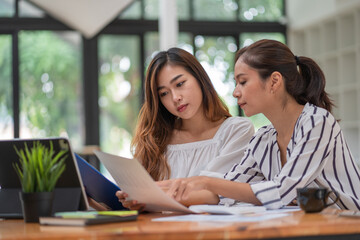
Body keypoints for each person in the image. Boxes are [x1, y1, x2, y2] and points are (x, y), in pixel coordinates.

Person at [163, 39, 360, 210]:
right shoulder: (262, 139)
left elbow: (282, 191)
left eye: (243, 82)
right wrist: (156, 194)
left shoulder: (317, 122)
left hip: (348, 227)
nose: (235, 92)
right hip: (307, 230)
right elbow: (227, 191)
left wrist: (207, 181)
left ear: (274, 81)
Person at [116, 47, 254, 209]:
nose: (175, 98)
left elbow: (218, 194)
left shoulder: (236, 130)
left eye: (180, 84)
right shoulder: (155, 140)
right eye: (164, 94)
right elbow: (132, 197)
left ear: (199, 78)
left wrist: (151, 198)